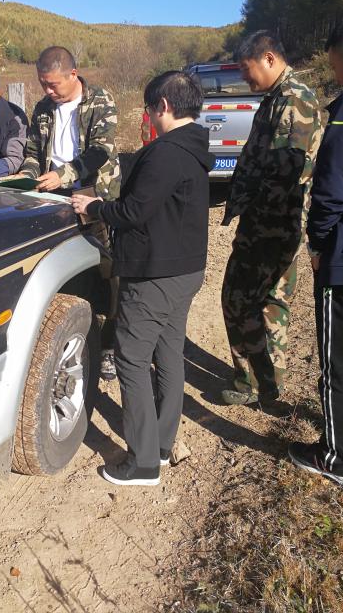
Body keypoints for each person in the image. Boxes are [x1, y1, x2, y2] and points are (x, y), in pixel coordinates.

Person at [72, 71, 213, 486]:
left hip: (155, 274)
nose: (149, 117)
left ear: (163, 106)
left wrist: (95, 208)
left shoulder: (166, 152)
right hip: (185, 270)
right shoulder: (195, 148)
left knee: (132, 359)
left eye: (150, 109)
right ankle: (163, 444)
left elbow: (133, 212)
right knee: (168, 353)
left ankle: (143, 462)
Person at [289, 14, 343, 489]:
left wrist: (319, 243)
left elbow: (331, 190)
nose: (337, 76)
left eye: (336, 66)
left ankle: (338, 458)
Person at [220, 31, 322, 405]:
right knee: (267, 301)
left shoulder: (293, 101)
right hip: (270, 223)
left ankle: (254, 384)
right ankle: (267, 384)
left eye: (246, 69)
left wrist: (256, 217)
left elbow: (286, 174)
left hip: (272, 226)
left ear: (268, 58)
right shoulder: (276, 97)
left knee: (241, 299)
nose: (244, 77)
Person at [19, 46, 121, 380]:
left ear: (73, 75)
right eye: (43, 84)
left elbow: (100, 152)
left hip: (94, 197)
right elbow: (33, 151)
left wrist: (64, 174)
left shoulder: (100, 101)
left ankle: (108, 347)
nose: (48, 90)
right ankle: (71, 335)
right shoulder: (43, 108)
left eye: (53, 84)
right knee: (65, 268)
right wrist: (28, 175)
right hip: (54, 198)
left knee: (108, 272)